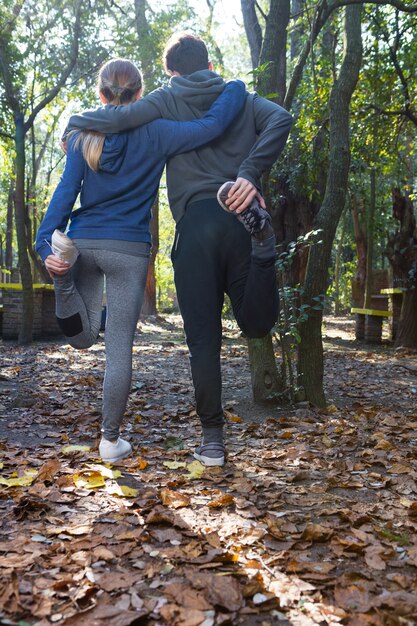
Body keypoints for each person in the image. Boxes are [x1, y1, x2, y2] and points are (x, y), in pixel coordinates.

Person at [65, 34, 293, 467]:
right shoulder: (238, 95)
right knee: (256, 323)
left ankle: (212, 443)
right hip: (241, 218)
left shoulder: (165, 99)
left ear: (172, 71)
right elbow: (282, 117)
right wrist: (248, 174)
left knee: (202, 340)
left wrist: (75, 122)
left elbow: (115, 119)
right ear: (208, 62)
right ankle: (266, 249)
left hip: (194, 227)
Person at [36, 57, 247, 463]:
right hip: (128, 250)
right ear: (140, 94)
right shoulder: (158, 131)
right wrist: (234, 87)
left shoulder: (82, 136)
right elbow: (212, 127)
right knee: (118, 351)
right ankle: (110, 441)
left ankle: (62, 279)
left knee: (80, 340)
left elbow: (63, 196)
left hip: (82, 242)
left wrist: (46, 248)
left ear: (101, 93)